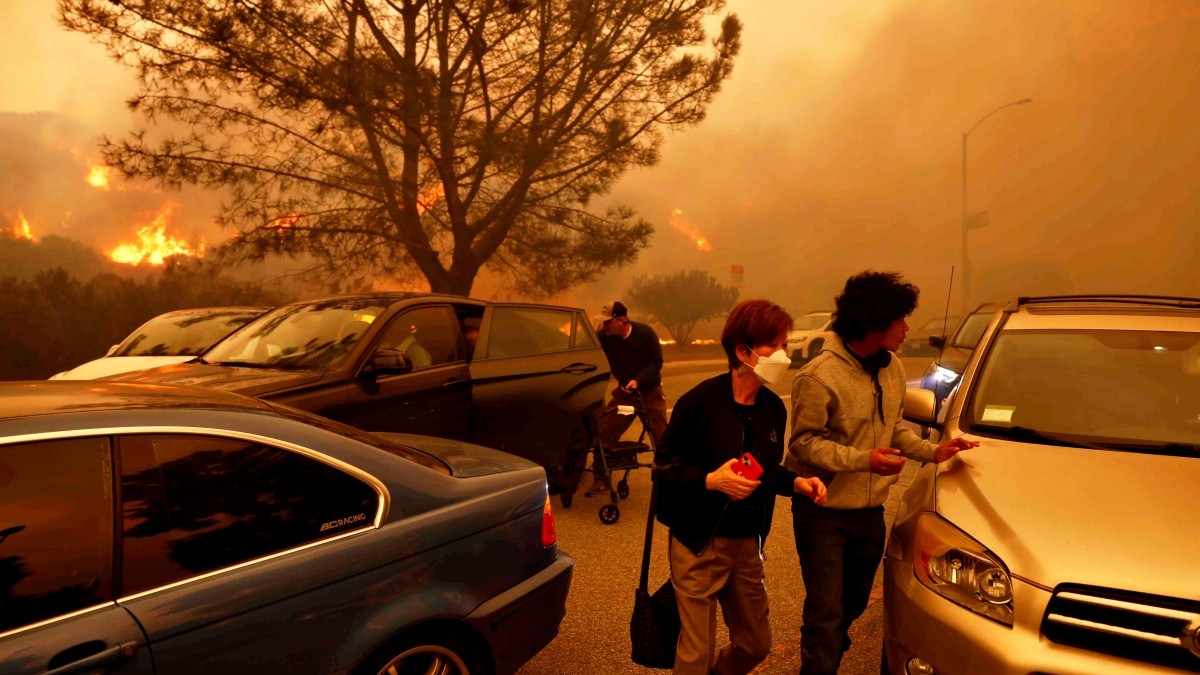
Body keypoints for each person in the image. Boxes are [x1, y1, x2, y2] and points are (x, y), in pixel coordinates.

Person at [785, 271, 979, 675]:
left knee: (851, 604)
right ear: (875, 325)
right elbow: (803, 444)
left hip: (870, 513)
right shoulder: (818, 376)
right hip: (823, 511)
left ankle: (828, 646)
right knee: (826, 612)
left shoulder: (889, 368)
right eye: (899, 321)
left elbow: (892, 430)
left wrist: (934, 451)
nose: (907, 329)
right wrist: (864, 460)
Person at [655, 299, 829, 675]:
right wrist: (709, 480)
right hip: (699, 540)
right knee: (696, 654)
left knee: (755, 644)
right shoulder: (699, 402)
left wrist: (797, 481)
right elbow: (663, 467)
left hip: (748, 543)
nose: (783, 355)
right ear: (742, 351)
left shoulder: (772, 409)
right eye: (775, 346)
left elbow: (764, 468)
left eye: (785, 345)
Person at [586, 301, 669, 497]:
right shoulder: (604, 337)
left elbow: (657, 362)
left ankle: (668, 480)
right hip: (625, 394)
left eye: (608, 322)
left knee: (661, 437)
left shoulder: (645, 333)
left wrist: (638, 381)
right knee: (605, 430)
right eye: (603, 323)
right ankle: (601, 480)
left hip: (649, 392)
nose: (604, 326)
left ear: (621, 320)